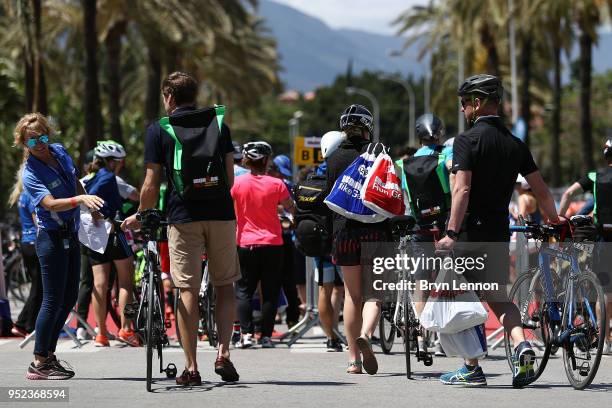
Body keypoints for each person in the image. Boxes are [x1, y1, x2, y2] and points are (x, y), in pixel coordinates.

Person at [435, 74, 561, 387]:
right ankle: (522, 345)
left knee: (460, 298)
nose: (464, 110)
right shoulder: (515, 144)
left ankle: (472, 368)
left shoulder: (467, 141)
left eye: (465, 104)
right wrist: (556, 222)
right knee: (498, 298)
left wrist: (450, 232)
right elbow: (543, 191)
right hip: (498, 233)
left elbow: (462, 190)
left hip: (468, 234)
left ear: (477, 103)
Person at [122, 71, 241, 386]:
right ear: (195, 95)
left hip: (182, 216)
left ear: (168, 97)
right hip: (221, 214)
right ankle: (224, 352)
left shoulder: (159, 130)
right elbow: (229, 177)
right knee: (225, 284)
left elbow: (151, 181)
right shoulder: (219, 126)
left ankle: (191, 366)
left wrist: (141, 213)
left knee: (186, 289)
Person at [15, 112, 104, 380]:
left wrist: (88, 202)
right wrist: (80, 200)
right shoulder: (29, 172)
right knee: (52, 300)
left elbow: (74, 180)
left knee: (67, 299)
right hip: (50, 238)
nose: (40, 144)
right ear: (23, 143)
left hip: (71, 233)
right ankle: (39, 361)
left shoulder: (60, 152)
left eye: (43, 137)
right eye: (33, 140)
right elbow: (51, 204)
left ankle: (49, 356)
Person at [326, 104, 387, 375]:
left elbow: (329, 198)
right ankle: (367, 333)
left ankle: (353, 359)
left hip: (345, 232)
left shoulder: (334, 157)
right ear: (367, 127)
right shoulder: (379, 153)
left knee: (352, 295)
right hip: (375, 232)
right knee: (374, 293)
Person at [397, 113, 452, 357]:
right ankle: (443, 338)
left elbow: (403, 197)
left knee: (421, 281)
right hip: (444, 226)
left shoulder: (403, 164)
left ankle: (420, 331)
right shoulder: (446, 155)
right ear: (439, 133)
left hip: (419, 227)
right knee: (446, 280)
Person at [232, 142, 295, 348]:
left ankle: (246, 335)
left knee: (244, 291)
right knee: (269, 291)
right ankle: (266, 336)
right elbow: (291, 208)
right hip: (272, 243)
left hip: (245, 243)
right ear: (266, 160)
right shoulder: (277, 184)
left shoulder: (237, 183)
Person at [559, 138, 612, 354]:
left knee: (605, 290)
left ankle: (605, 341)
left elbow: (567, 194)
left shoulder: (595, 176)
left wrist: (560, 220)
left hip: (604, 237)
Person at [83, 141, 139, 347]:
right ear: (112, 162)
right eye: (120, 162)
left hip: (93, 236)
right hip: (113, 231)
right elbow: (92, 198)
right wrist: (97, 212)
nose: (122, 165)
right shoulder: (108, 177)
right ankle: (125, 329)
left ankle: (102, 333)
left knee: (99, 284)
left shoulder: (87, 178)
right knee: (126, 283)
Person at [268, 154, 301, 329]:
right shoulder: (265, 183)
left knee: (289, 282)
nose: (280, 176)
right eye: (278, 172)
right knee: (269, 283)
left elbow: (295, 207)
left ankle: (292, 319)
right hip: (268, 238)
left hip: (287, 237)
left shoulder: (288, 186)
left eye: (283, 173)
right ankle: (267, 322)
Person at [8, 166, 42, 337]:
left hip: (26, 243)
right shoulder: (31, 195)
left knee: (37, 285)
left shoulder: (22, 195)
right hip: (35, 242)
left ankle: (24, 323)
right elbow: (39, 223)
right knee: (39, 286)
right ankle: (27, 325)